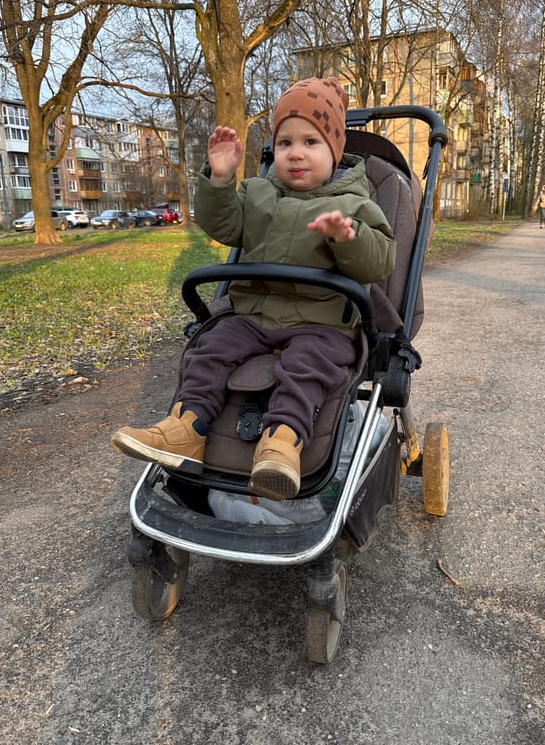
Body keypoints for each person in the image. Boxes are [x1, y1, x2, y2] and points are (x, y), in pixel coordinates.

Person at [111, 76, 396, 500]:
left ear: (335, 152)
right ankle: (186, 427)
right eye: (285, 143)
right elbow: (224, 224)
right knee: (210, 347)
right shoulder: (257, 193)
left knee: (308, 365)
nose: (296, 153)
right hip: (254, 315)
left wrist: (348, 238)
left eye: (311, 142)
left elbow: (379, 261)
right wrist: (220, 180)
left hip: (321, 322)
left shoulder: (356, 205)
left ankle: (282, 443)